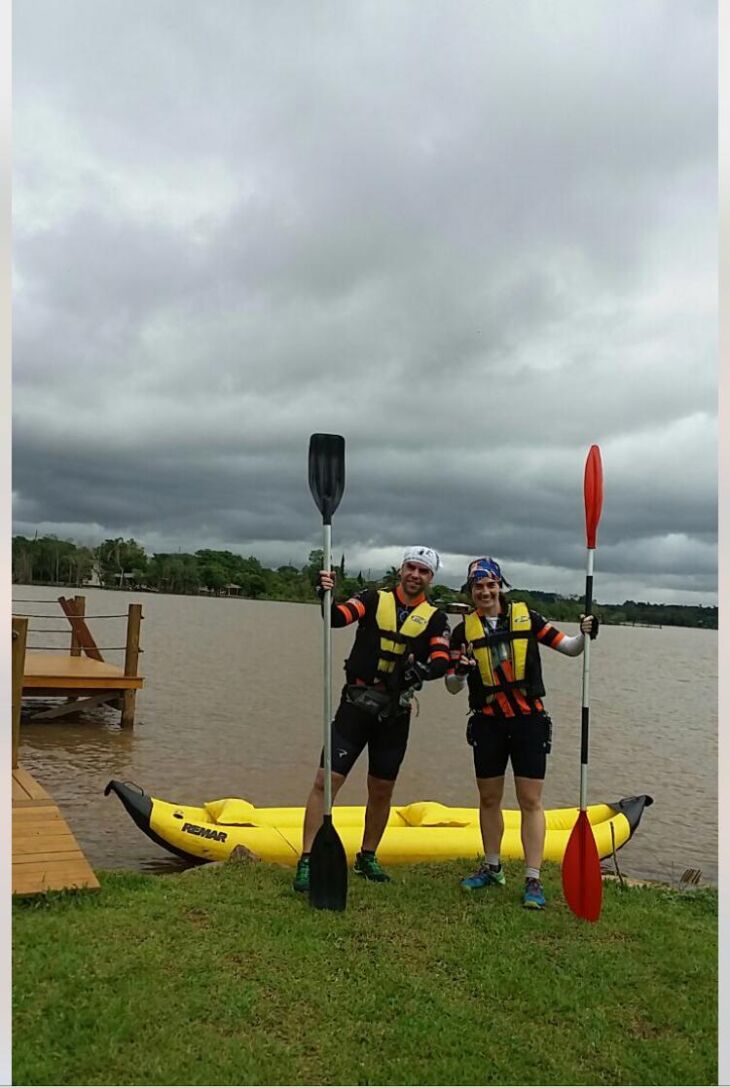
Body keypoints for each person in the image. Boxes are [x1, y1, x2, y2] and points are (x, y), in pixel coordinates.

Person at [293, 546, 451, 892]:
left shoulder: (436, 618)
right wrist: (324, 593)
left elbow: (441, 659)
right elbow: (336, 617)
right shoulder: (371, 598)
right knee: (326, 782)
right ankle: (307, 858)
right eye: (411, 567)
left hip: (394, 715)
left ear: (430, 579)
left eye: (423, 571)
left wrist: (416, 672)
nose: (415, 575)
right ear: (401, 570)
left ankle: (367, 856)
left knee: (381, 790)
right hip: (355, 707)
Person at [445, 556, 598, 910]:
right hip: (487, 722)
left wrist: (587, 632)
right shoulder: (461, 631)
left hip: (528, 721)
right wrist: (464, 672)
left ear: (500, 586)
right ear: (471, 591)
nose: (485, 592)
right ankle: (492, 867)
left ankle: (533, 878)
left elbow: (571, 648)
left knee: (530, 800)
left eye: (490, 585)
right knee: (488, 798)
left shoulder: (528, 619)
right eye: (477, 587)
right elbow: (452, 686)